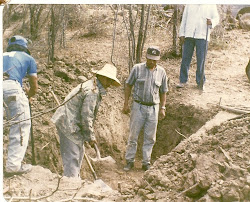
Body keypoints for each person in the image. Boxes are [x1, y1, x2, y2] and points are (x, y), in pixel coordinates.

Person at [51, 64, 121, 178]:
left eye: (111, 81)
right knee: (72, 158)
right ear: (101, 77)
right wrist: (91, 137)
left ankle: (75, 181)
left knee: (79, 154)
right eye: (108, 80)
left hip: (73, 123)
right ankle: (71, 184)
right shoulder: (92, 91)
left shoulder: (93, 85)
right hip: (68, 123)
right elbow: (86, 116)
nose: (109, 84)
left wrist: (88, 135)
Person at [122, 46, 168, 171]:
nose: (151, 62)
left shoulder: (162, 72)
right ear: (146, 57)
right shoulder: (137, 69)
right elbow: (128, 85)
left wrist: (163, 107)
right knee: (133, 135)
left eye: (154, 60)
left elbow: (163, 91)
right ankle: (129, 160)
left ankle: (146, 162)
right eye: (149, 59)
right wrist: (126, 103)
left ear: (157, 60)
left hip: (153, 108)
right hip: (138, 106)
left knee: (150, 137)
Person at [3, 35, 38, 176]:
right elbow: (34, 87)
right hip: (11, 87)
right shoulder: (28, 58)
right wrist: (28, 96)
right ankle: (13, 167)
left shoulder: (2, 55)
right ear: (25, 48)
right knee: (21, 124)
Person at [176, 4, 219, 89]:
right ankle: (183, 80)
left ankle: (200, 82)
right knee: (185, 58)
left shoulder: (211, 4)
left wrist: (212, 22)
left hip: (202, 35)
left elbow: (216, 18)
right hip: (189, 34)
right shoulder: (189, 4)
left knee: (201, 60)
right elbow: (184, 19)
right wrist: (182, 33)